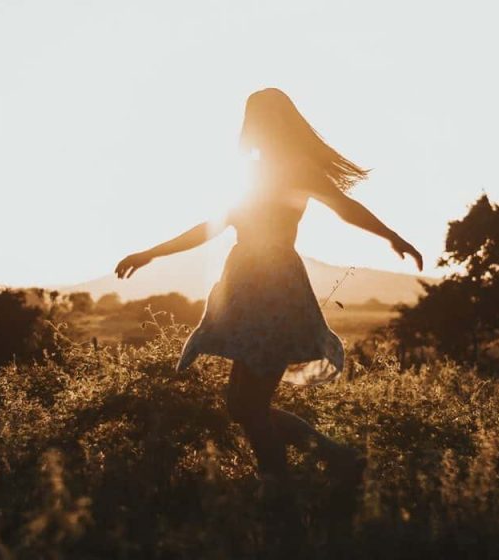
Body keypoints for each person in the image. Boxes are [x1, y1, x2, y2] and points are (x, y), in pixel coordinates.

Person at [115, 88, 423, 485]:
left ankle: (286, 487)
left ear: (277, 123)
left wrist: (391, 235)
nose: (254, 127)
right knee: (242, 406)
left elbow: (346, 209)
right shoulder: (253, 173)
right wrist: (150, 253)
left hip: (276, 290)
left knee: (251, 406)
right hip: (246, 289)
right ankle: (336, 460)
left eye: (261, 119)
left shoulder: (298, 168)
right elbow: (210, 226)